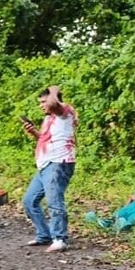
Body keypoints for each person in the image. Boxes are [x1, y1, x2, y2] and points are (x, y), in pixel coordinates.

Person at [21, 86, 78, 253]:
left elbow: (55, 103)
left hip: (59, 163)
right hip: (45, 165)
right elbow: (47, 139)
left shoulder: (65, 110)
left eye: (43, 101)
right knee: (29, 201)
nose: (41, 105)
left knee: (54, 201)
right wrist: (34, 133)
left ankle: (60, 238)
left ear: (54, 100)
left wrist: (54, 90)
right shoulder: (49, 118)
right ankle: (44, 235)